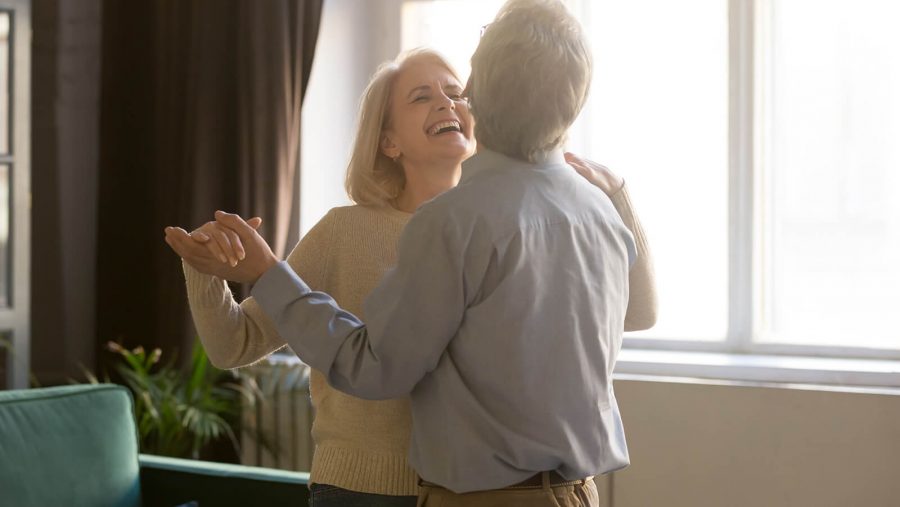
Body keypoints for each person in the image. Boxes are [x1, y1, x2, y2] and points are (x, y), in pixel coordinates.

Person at [165, 2, 655, 504]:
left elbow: (632, 313)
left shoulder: (504, 218)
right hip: (367, 491)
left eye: (456, 93)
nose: (447, 104)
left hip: (463, 493)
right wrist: (206, 269)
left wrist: (618, 197)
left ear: (479, 106)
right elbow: (234, 345)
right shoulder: (345, 231)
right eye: (422, 97)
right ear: (388, 142)